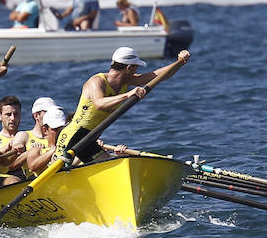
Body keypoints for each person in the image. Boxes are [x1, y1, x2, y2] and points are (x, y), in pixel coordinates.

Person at [54, 46, 192, 164]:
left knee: (109, 167)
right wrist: (127, 95)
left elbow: (157, 75)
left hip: (89, 139)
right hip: (72, 138)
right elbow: (99, 104)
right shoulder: (97, 81)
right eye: (136, 67)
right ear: (129, 68)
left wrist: (179, 63)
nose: (137, 71)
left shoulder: (125, 82)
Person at [24, 106, 68, 174]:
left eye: (62, 128)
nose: (60, 132)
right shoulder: (37, 149)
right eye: (55, 129)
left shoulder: (69, 147)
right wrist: (54, 150)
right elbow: (33, 165)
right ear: (45, 130)